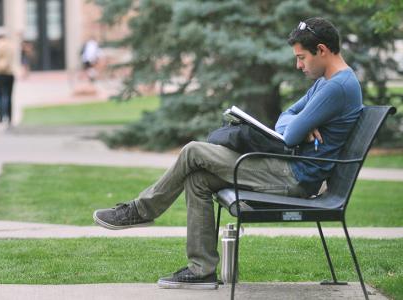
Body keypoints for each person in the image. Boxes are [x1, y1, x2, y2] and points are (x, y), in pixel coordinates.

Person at [93, 17, 362, 290]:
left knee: (193, 151)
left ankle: (141, 210)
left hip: (295, 177)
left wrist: (300, 125)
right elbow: (285, 117)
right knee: (198, 179)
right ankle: (202, 271)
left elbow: (289, 134)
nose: (298, 65)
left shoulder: (336, 87)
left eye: (302, 57)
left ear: (322, 50)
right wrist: (303, 124)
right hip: (286, 167)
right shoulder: (329, 82)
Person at [0, 32, 15, 125]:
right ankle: (9, 117)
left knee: (0, 96)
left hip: (1, 73)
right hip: (10, 73)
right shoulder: (11, 45)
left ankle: (1, 116)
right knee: (9, 96)